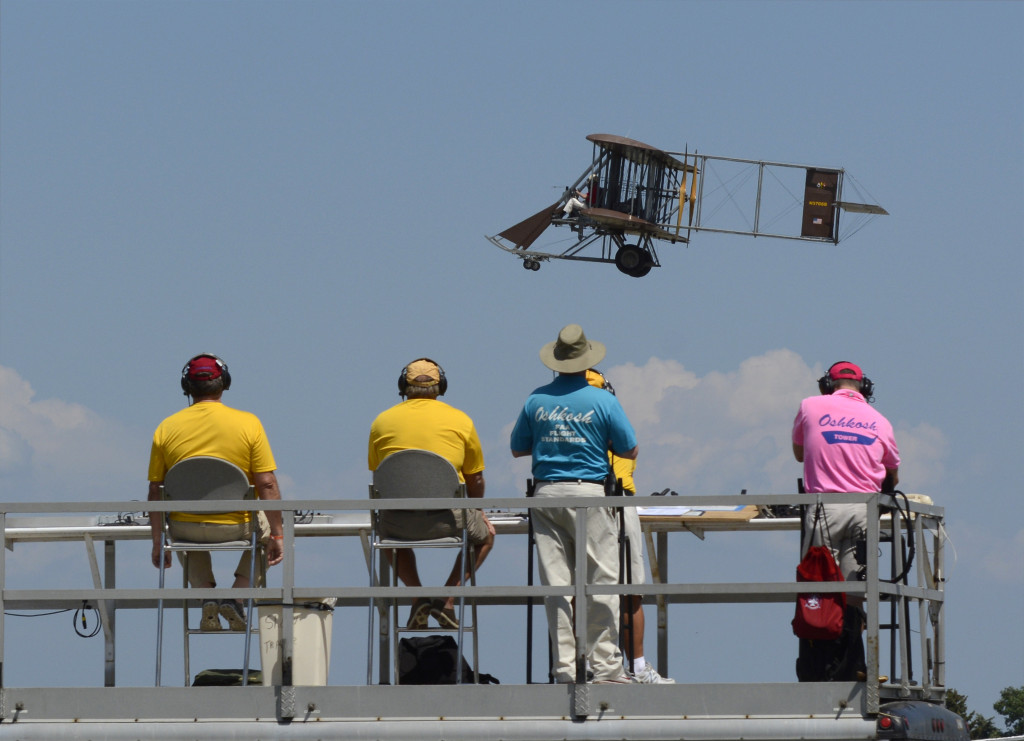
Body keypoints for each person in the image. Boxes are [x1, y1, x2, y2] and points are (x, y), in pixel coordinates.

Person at [510, 324, 637, 684]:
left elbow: (519, 447)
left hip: (547, 494)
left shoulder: (536, 400)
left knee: (556, 585)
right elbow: (629, 448)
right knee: (603, 580)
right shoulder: (604, 400)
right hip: (589, 492)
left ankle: (564, 668)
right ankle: (606, 666)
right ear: (587, 361)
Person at [147, 354, 285, 631]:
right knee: (269, 532)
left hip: (187, 527)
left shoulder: (166, 427)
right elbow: (267, 484)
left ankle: (207, 597)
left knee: (184, 534)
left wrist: (158, 539)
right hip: (238, 525)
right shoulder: (248, 423)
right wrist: (279, 533)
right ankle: (236, 596)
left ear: (187, 386)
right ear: (225, 384)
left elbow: (155, 490)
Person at [368, 358, 495, 629]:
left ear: (403, 386)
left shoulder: (382, 421)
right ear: (442, 387)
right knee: (485, 537)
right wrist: (478, 511)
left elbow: (379, 475)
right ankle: (447, 599)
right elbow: (476, 477)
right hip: (449, 519)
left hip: (397, 522)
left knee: (388, 538)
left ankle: (417, 597)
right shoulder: (460, 420)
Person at [586, 369, 675, 684]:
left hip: (582, 506)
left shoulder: (564, 411)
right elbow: (630, 452)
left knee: (580, 593)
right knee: (630, 593)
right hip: (619, 504)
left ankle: (587, 665)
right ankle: (636, 667)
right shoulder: (610, 409)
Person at [792, 361, 900, 592]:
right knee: (856, 586)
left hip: (824, 508)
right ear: (865, 388)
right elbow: (893, 474)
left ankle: (824, 627)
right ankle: (854, 626)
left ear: (826, 386)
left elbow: (799, 454)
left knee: (819, 587)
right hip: (865, 510)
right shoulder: (881, 421)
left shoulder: (809, 405)